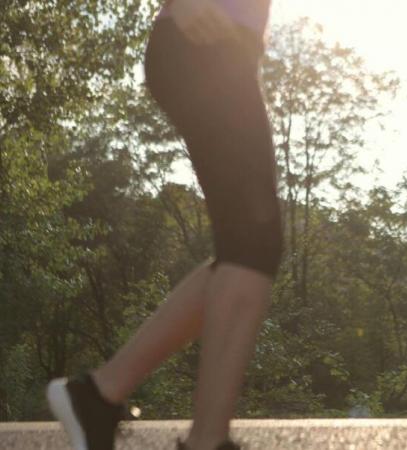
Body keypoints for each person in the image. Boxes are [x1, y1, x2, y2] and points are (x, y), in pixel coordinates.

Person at [46, 1, 281, 449]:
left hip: (224, 49)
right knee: (254, 246)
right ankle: (206, 439)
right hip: (202, 42)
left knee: (246, 249)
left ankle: (97, 395)